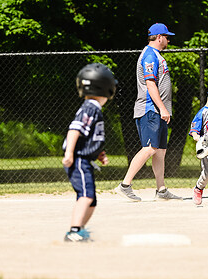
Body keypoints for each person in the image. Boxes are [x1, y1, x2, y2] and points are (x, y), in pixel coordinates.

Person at [115, 23, 182, 202]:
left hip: (158, 111)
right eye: (167, 37)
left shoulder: (156, 55)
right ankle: (125, 185)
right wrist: (162, 108)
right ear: (159, 37)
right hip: (150, 109)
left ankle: (161, 190)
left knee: (160, 151)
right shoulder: (150, 55)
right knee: (150, 148)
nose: (168, 40)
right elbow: (150, 84)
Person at [62, 63, 117, 242]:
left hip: (85, 158)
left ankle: (80, 230)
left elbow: (89, 136)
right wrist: (70, 153)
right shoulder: (90, 108)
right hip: (79, 159)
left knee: (91, 200)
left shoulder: (93, 108)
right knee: (86, 196)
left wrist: (99, 153)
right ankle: (74, 231)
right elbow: (74, 130)